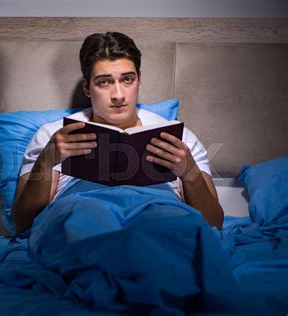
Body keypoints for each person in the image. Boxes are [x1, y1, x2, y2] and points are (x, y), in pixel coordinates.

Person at [13, 32, 224, 234]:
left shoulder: (179, 137)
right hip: (83, 223)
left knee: (163, 222)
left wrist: (190, 173)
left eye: (127, 79)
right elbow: (23, 224)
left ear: (139, 80)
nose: (118, 95)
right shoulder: (53, 135)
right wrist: (46, 162)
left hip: (158, 222)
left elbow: (214, 223)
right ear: (87, 87)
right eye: (104, 82)